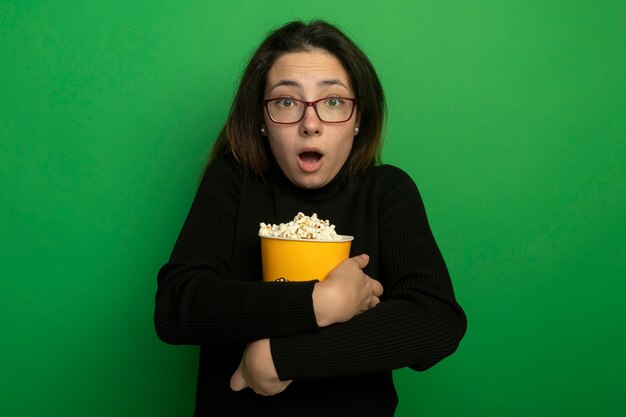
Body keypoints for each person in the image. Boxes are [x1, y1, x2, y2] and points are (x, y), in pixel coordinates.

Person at [154, 20, 467, 417]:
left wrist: (282, 358)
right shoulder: (233, 180)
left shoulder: (387, 192)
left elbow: (436, 321)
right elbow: (176, 304)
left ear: (359, 118)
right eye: (286, 102)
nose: (311, 123)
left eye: (333, 101)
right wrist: (319, 302)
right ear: (262, 121)